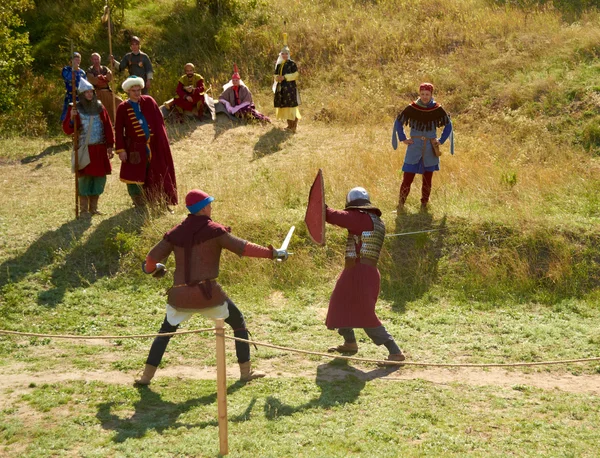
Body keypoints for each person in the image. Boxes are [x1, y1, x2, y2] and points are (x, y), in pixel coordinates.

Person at [135, 189, 289, 385]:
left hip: (180, 294)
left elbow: (150, 259)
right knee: (238, 321)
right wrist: (274, 254)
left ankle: (146, 377)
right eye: (209, 204)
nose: (211, 207)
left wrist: (153, 269)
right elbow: (244, 247)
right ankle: (245, 372)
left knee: (165, 331)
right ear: (204, 208)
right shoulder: (215, 230)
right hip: (208, 295)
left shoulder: (175, 233)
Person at [325, 187, 405, 364]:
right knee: (339, 303)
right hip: (357, 270)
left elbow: (333, 216)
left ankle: (395, 351)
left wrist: (322, 208)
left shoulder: (361, 218)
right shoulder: (374, 220)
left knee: (365, 314)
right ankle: (350, 342)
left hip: (361, 273)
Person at [115, 76, 178, 208]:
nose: (137, 93)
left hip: (154, 146)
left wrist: (162, 142)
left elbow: (159, 123)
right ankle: (139, 203)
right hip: (134, 148)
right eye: (134, 90)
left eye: (139, 90)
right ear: (128, 91)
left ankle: (161, 201)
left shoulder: (149, 101)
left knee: (158, 172)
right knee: (135, 175)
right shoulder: (123, 107)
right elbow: (119, 131)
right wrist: (121, 150)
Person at [391, 82, 453, 210]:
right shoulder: (412, 108)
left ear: (431, 94)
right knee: (407, 178)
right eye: (422, 94)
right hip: (414, 148)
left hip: (430, 148)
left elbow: (448, 125)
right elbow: (398, 122)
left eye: (427, 94)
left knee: (427, 179)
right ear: (419, 94)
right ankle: (401, 204)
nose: (425, 97)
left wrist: (441, 141)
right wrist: (403, 138)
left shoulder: (437, 109)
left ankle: (424, 204)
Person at [62, 78, 114, 216]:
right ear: (81, 94)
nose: (90, 94)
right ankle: (84, 210)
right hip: (85, 149)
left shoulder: (99, 107)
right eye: (87, 92)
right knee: (85, 179)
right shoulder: (75, 108)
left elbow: (108, 127)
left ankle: (94, 208)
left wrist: (110, 145)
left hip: (100, 148)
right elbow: (68, 130)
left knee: (99, 178)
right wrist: (72, 118)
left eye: (91, 92)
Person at [273, 34, 301, 132]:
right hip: (281, 89)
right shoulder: (279, 65)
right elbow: (275, 75)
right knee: (285, 106)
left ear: (288, 54)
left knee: (291, 106)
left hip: (290, 88)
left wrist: (285, 77)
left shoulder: (292, 64)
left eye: (286, 53)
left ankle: (294, 126)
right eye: (283, 54)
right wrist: (278, 78)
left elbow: (296, 75)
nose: (284, 55)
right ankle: (289, 125)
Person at [86, 52, 123, 125]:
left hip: (107, 91)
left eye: (97, 59)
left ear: (100, 60)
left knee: (119, 101)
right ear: (91, 60)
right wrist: (101, 79)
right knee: (102, 109)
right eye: (94, 59)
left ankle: (117, 122)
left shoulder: (105, 68)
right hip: (98, 93)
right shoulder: (90, 70)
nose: (96, 61)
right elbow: (93, 80)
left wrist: (103, 78)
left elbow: (109, 77)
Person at [60, 52, 87, 122]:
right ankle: (65, 125)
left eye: (78, 60)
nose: (77, 61)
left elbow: (85, 84)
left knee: (80, 113)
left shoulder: (82, 72)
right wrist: (74, 70)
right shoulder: (66, 70)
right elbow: (68, 78)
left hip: (79, 95)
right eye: (75, 59)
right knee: (68, 111)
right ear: (71, 61)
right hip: (70, 95)